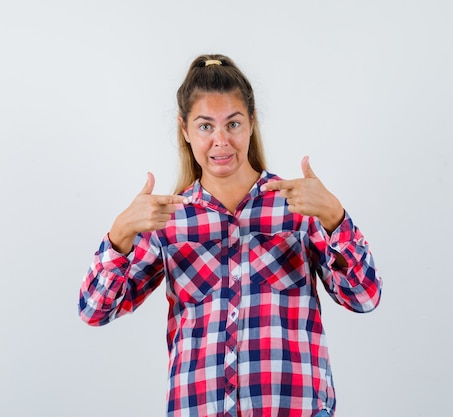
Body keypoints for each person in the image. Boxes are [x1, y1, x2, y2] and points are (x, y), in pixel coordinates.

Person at [78, 54, 382, 417]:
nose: (221, 141)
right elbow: (95, 311)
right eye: (205, 126)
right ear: (185, 130)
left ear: (251, 123)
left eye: (233, 124)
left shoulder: (298, 207)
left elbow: (364, 297)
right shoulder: (168, 219)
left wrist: (335, 217)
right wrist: (121, 232)